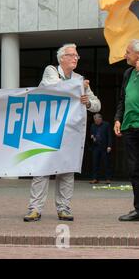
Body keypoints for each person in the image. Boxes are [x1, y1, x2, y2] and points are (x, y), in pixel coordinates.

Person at [23, 43, 101, 222]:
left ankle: (64, 208)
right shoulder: (51, 71)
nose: (76, 58)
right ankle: (35, 209)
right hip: (48, 131)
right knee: (42, 169)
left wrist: (87, 102)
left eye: (77, 56)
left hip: (70, 133)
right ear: (62, 58)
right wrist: (78, 87)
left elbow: (97, 105)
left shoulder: (80, 79)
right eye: (72, 55)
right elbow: (56, 88)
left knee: (66, 170)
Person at [114, 39, 139, 222]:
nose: (125, 55)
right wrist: (117, 118)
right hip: (130, 128)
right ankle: (138, 209)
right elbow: (123, 99)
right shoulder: (128, 73)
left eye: (128, 52)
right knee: (134, 170)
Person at [89, 113, 113, 184]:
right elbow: (91, 134)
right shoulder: (93, 125)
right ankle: (95, 178)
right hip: (96, 146)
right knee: (95, 163)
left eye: (96, 120)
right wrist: (92, 137)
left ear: (100, 119)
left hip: (104, 147)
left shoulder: (106, 125)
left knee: (106, 163)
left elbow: (109, 136)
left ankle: (108, 178)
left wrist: (109, 146)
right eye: (94, 120)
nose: (95, 121)